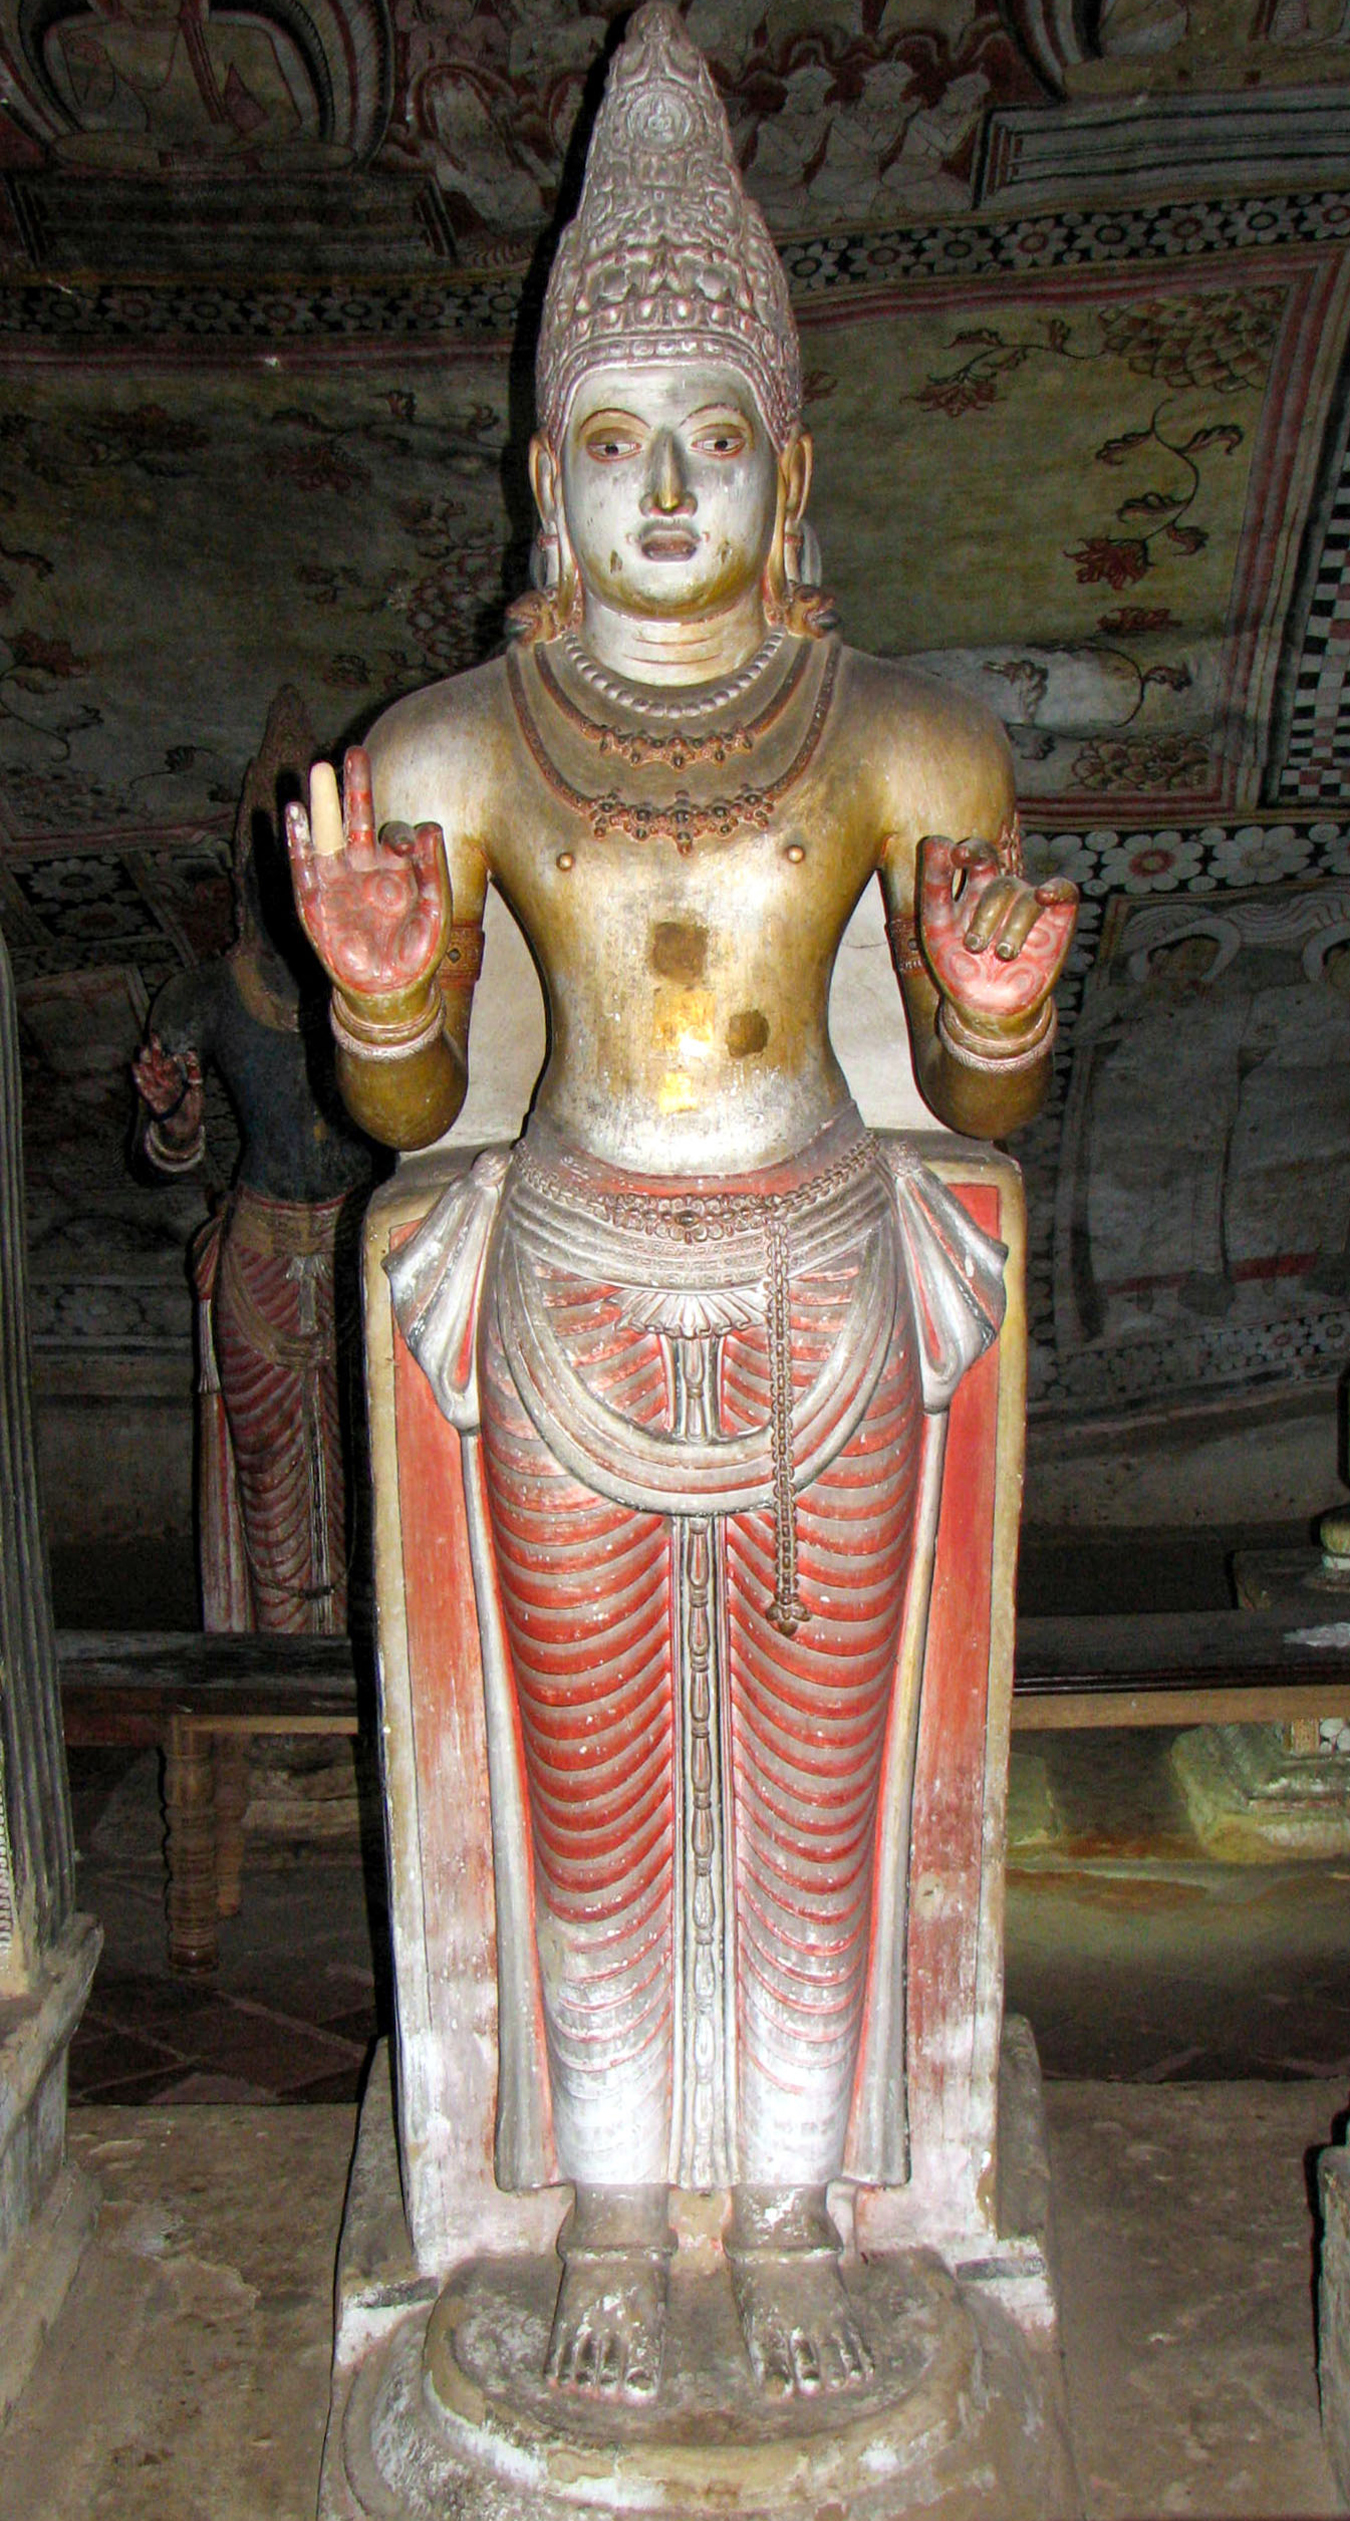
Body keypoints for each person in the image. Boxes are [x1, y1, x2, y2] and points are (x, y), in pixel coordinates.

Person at [285, 4, 1076, 2409]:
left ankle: (806, 2207)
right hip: (566, 1300)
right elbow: (413, 1105)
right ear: (545, 479)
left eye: (709, 441)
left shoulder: (906, 740)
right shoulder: (451, 747)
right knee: (597, 1797)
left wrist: (996, 1012)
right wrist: (382, 987)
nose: (660, 495)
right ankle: (621, 2213)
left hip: (826, 1282)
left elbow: (978, 1097)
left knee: (815, 1797)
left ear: (788, 467)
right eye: (613, 445)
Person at [134, 687, 372, 1635]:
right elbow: (164, 1153)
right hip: (263, 1260)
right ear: (243, 872)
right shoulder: (206, 995)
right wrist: (176, 1112)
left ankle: (360, 1659)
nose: (286, 890)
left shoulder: (370, 981)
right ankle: (278, 1662)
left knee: (364, 1463)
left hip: (358, 1248)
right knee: (269, 1470)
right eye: (269, 868)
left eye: (302, 867)